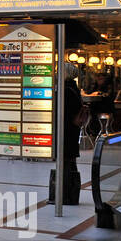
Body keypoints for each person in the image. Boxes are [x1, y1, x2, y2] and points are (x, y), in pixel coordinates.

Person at [52, 61, 84, 205]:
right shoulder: (73, 88)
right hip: (72, 130)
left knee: (64, 160)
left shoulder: (65, 91)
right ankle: (70, 192)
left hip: (65, 130)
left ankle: (63, 194)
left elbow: (62, 112)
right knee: (70, 161)